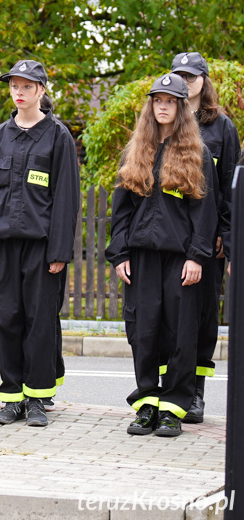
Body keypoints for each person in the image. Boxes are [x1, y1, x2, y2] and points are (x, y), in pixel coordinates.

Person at [0, 60, 80, 427]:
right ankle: (12, 397)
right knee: (4, 318)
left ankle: (36, 398)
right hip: (1, 247)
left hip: (41, 247)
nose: (19, 91)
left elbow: (66, 198)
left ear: (41, 91)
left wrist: (60, 251)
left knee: (39, 320)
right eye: (14, 85)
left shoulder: (57, 136)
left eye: (27, 86)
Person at [106, 73, 217, 437]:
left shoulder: (196, 153)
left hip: (180, 258)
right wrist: (119, 253)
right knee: (144, 331)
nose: (163, 106)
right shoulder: (136, 149)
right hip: (140, 259)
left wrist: (197, 257)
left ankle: (173, 408)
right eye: (158, 100)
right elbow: (120, 210)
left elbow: (206, 212)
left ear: (182, 107)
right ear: (150, 106)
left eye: (170, 101)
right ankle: (147, 405)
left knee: (181, 333)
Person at [170, 52, 241, 424]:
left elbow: (230, 190)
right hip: (169, 237)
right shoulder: (162, 121)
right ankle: (169, 390)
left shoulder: (222, 128)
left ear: (204, 80)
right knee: (169, 315)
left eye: (191, 75)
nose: (185, 80)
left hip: (207, 241)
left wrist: (225, 239)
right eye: (178, 75)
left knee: (202, 318)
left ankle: (195, 392)